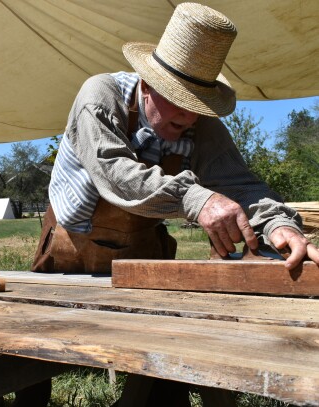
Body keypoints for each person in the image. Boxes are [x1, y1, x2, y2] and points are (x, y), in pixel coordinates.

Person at [28, 2, 319, 406]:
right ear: (147, 85)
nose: (189, 120)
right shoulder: (101, 95)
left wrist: (278, 225)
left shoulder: (200, 122)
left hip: (141, 256)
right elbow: (114, 173)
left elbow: (241, 182)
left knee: (160, 368)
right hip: (68, 251)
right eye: (179, 107)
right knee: (30, 355)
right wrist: (198, 199)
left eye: (196, 109)